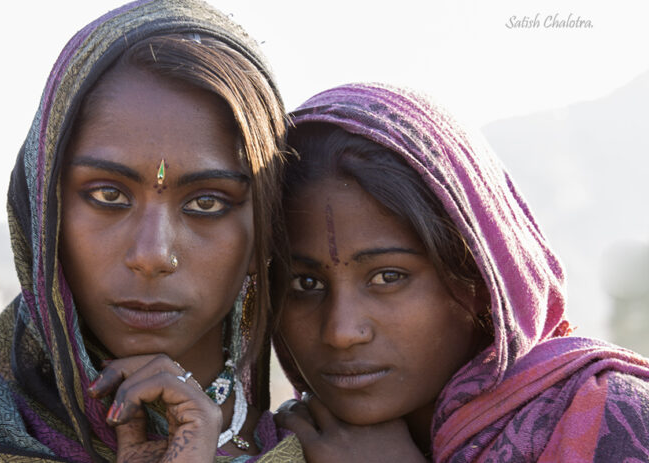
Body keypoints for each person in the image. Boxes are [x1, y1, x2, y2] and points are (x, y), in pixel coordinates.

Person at [0, 1, 305, 461]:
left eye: (206, 203)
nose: (152, 255)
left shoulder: (344, 447)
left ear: (263, 232)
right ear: (43, 211)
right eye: (108, 196)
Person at [272, 83, 649, 462]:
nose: (340, 333)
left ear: (480, 276)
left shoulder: (612, 422)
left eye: (388, 277)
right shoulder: (283, 448)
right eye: (306, 284)